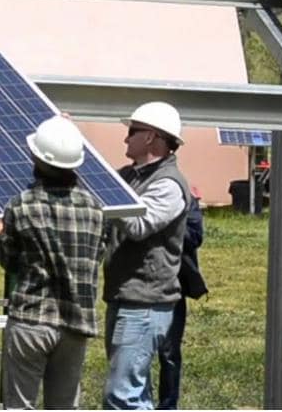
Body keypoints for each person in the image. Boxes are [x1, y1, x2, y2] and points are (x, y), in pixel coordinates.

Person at [0, 115, 106, 409]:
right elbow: (97, 255)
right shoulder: (96, 209)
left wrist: (1, 232)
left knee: (19, 405)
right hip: (76, 323)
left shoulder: (22, 204)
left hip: (31, 319)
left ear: (35, 158)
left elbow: (9, 260)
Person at [102, 101, 192, 410]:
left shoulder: (168, 184)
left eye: (132, 131)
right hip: (126, 296)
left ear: (151, 137)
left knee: (122, 396)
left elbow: (140, 225)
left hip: (144, 303)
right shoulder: (131, 176)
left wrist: (110, 195)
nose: (125, 139)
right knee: (135, 393)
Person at [157, 189, 208, 409]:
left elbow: (195, 237)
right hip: (137, 284)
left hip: (172, 283)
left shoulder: (185, 199)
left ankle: (168, 405)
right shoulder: (132, 189)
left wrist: (165, 222)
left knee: (169, 350)